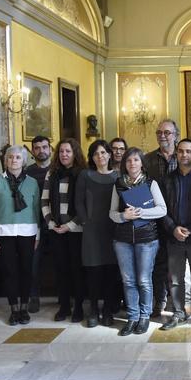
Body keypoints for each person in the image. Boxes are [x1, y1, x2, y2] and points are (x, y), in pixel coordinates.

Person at [110, 147, 167, 336]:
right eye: (128, 160)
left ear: (142, 163)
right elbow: (111, 213)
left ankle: (144, 316)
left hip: (147, 239)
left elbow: (162, 209)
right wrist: (123, 216)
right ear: (124, 164)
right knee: (128, 280)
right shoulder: (118, 184)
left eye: (135, 160)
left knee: (144, 280)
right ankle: (132, 317)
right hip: (122, 240)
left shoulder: (151, 183)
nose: (132, 163)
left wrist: (142, 212)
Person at [159, 139, 191, 330]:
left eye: (188, 151)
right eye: (181, 151)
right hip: (174, 236)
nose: (184, 155)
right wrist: (173, 228)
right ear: (176, 154)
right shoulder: (167, 179)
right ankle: (179, 313)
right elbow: (161, 208)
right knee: (175, 279)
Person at [0, 146, 41, 325]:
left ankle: (24, 308)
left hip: (28, 232)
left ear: (23, 161)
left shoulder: (32, 183)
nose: (14, 160)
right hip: (4, 233)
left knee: (26, 271)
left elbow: (36, 209)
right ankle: (14, 309)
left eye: (18, 157)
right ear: (5, 160)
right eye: (10, 157)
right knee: (9, 272)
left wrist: (38, 235)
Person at [75, 140, 120, 328]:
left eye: (103, 152)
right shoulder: (85, 175)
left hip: (113, 230)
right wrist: (85, 221)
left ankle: (108, 310)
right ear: (91, 158)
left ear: (109, 154)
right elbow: (78, 202)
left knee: (111, 271)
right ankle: (93, 310)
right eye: (95, 153)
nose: (100, 156)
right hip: (92, 231)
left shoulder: (118, 176)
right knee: (93, 272)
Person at [41, 138, 86, 322]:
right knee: (61, 270)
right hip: (56, 229)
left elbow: (85, 205)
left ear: (75, 153)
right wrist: (51, 223)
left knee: (77, 270)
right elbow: (44, 201)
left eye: (68, 151)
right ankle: (65, 306)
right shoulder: (51, 173)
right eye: (61, 151)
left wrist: (70, 225)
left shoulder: (83, 173)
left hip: (76, 230)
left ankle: (79, 307)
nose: (64, 154)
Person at [144, 119, 179, 318]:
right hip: (155, 221)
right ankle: (160, 300)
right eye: (159, 132)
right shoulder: (147, 160)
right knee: (158, 264)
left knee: (178, 264)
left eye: (167, 132)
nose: (162, 136)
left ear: (176, 135)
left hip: (179, 220)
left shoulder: (183, 156)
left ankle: (179, 302)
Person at [25, 135, 51, 313]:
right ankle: (33, 296)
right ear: (32, 151)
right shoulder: (27, 172)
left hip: (55, 222)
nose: (41, 150)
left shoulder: (57, 169)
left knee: (62, 260)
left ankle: (66, 296)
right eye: (37, 148)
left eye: (44, 147)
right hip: (35, 222)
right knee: (33, 261)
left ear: (50, 149)